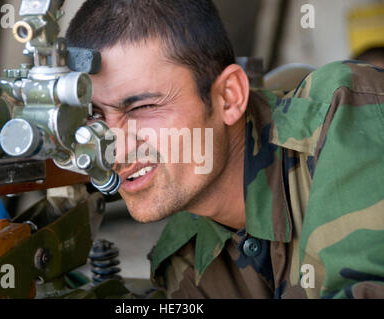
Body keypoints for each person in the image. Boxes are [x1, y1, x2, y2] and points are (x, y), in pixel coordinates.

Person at [66, 0, 384, 298]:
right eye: (95, 116)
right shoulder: (185, 259)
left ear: (228, 97)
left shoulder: (345, 116)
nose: (114, 150)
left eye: (143, 107)